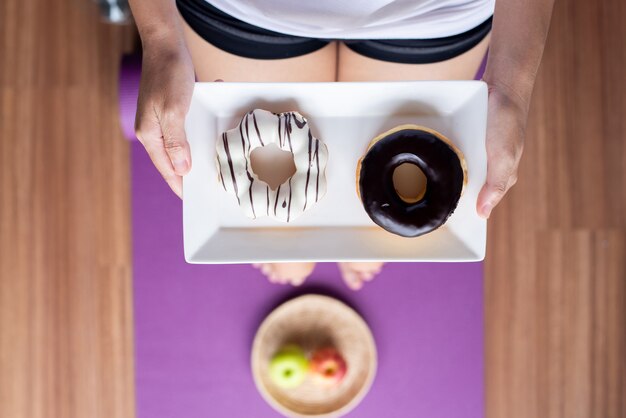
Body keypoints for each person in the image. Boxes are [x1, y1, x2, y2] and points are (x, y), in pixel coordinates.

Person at [129, 0, 554, 290]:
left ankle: (347, 232)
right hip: (245, 11)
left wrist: (513, 87)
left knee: (385, 194)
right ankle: (302, 238)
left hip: (436, 13)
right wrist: (160, 38)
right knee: (280, 217)